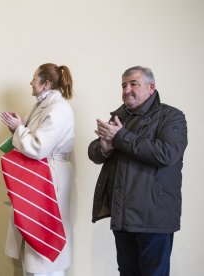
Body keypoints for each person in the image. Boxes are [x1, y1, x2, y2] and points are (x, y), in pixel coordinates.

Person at [88, 66, 188, 276]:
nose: (127, 90)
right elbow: (94, 151)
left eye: (134, 84)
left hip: (153, 219)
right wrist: (104, 148)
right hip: (123, 218)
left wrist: (121, 137)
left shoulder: (171, 116)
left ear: (151, 88)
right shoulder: (119, 117)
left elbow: (166, 154)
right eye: (124, 85)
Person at [1, 63, 75, 276]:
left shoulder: (59, 109)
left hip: (49, 178)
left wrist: (19, 129)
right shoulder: (42, 105)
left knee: (45, 239)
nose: (31, 83)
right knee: (32, 238)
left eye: (34, 79)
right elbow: (32, 139)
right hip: (39, 175)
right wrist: (17, 128)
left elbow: (39, 148)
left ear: (46, 84)